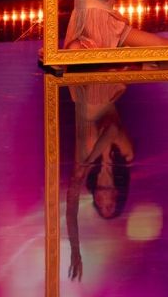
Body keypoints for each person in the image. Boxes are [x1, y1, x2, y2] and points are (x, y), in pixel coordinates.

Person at [65, 80, 133, 281]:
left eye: (101, 207)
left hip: (81, 87)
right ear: (117, 196)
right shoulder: (126, 156)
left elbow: (71, 207)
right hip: (107, 85)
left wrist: (75, 250)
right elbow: (111, 129)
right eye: (109, 206)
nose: (104, 203)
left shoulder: (85, 167)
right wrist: (91, 158)